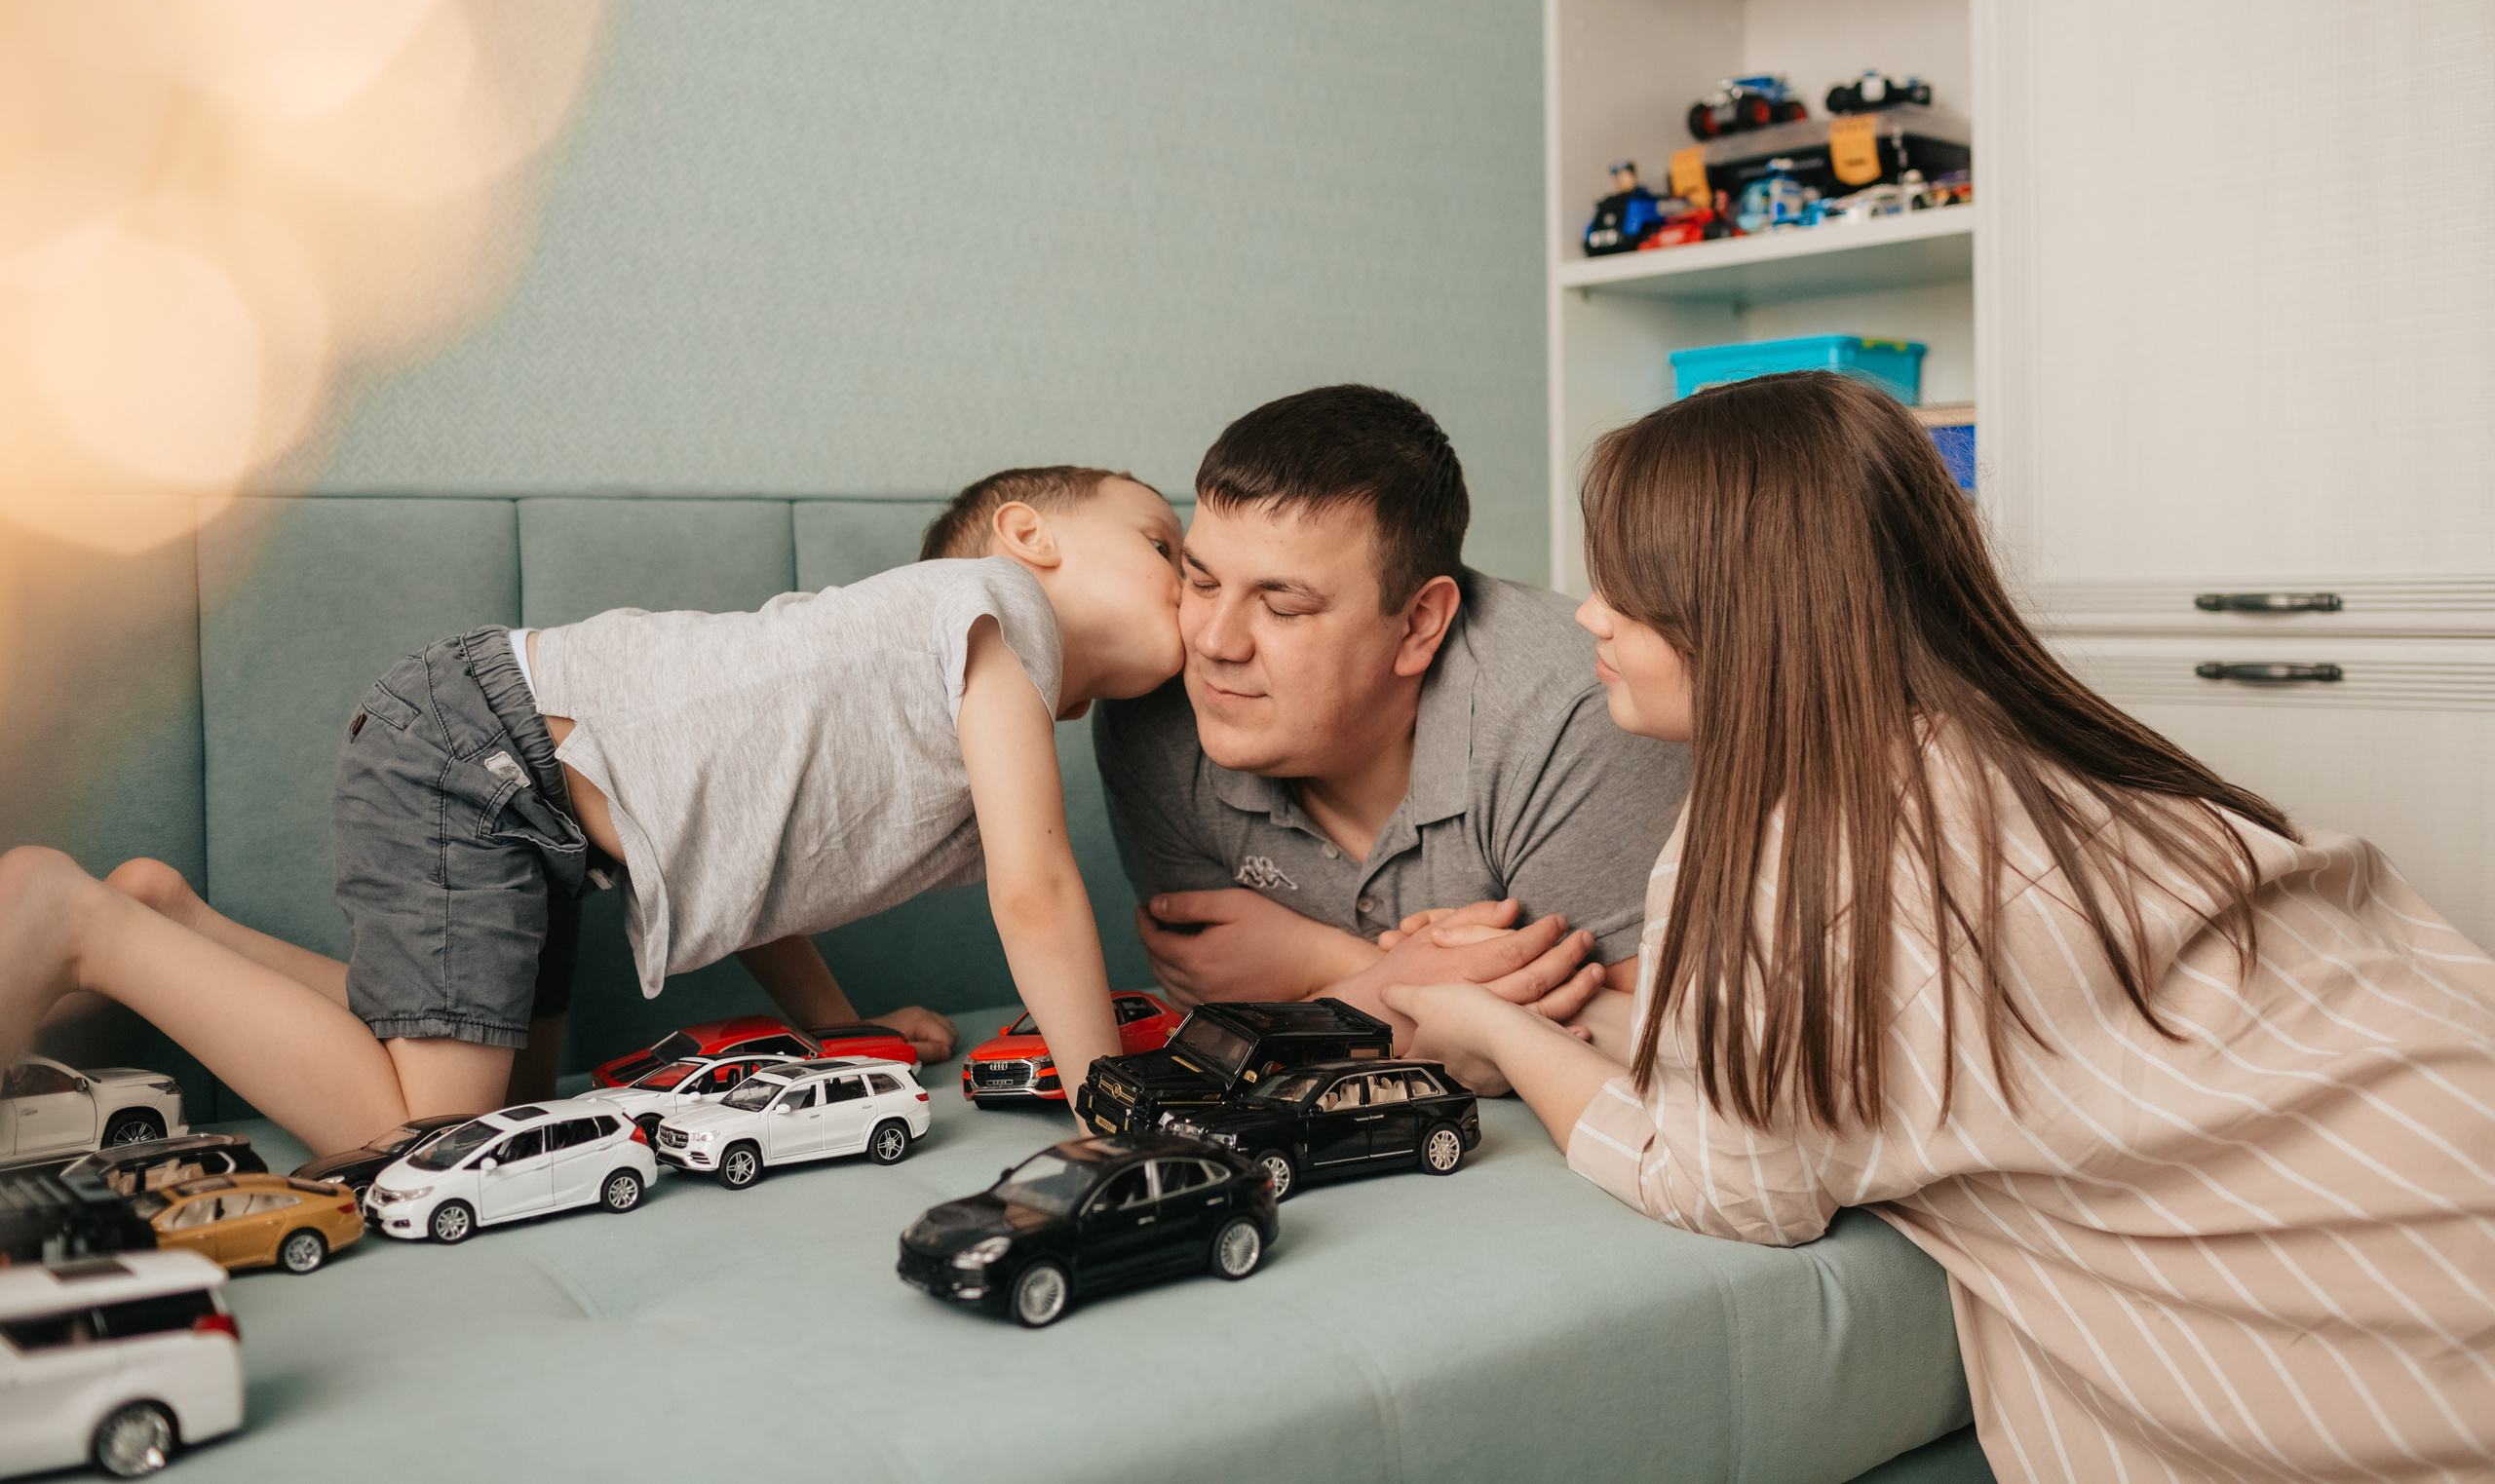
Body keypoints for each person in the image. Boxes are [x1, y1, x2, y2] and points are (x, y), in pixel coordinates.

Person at [1388, 371, 2495, 1483]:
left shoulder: (1797, 855)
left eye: (1624, 590)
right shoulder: (2007, 752)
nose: (1589, 615)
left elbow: (1732, 1183)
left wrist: (1490, 1027)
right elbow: (1807, 1053)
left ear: (1745, 608)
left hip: (2394, 1284)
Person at [0, 467, 1185, 1157]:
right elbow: (1038, 894)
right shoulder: (990, 614)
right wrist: (1110, 1100)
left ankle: (171, 926)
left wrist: (841, 1026)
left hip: (524, 795)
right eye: (1164, 543)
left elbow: (758, 877)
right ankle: (75, 920)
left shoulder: (946, 709)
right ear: (1031, 541)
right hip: (480, 748)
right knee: (430, 1142)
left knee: (509, 1116)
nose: (1192, 579)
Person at [1094, 385, 1691, 1038]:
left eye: (1282, 606)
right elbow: (1211, 1003)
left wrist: (1323, 965)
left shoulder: (1580, 712)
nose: (1212, 643)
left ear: (1418, 624)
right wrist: (1429, 992)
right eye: (1201, 582)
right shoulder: (1154, 711)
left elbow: (1639, 1041)